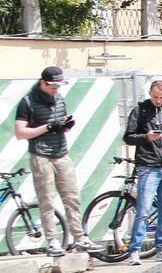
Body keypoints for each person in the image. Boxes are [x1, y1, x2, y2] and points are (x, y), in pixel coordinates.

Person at [12, 67, 99, 256]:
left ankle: (80, 238)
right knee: (47, 201)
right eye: (52, 86)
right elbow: (20, 132)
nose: (56, 89)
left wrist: (65, 125)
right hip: (41, 155)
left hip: (61, 153)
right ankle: (52, 242)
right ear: (42, 82)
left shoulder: (59, 99)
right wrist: (48, 127)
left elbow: (60, 124)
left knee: (73, 198)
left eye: (59, 85)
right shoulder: (28, 102)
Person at [122, 78, 162, 263]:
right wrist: (146, 137)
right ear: (150, 94)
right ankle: (135, 250)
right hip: (148, 166)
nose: (158, 100)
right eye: (156, 97)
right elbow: (128, 137)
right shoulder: (139, 111)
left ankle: (161, 248)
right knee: (144, 210)